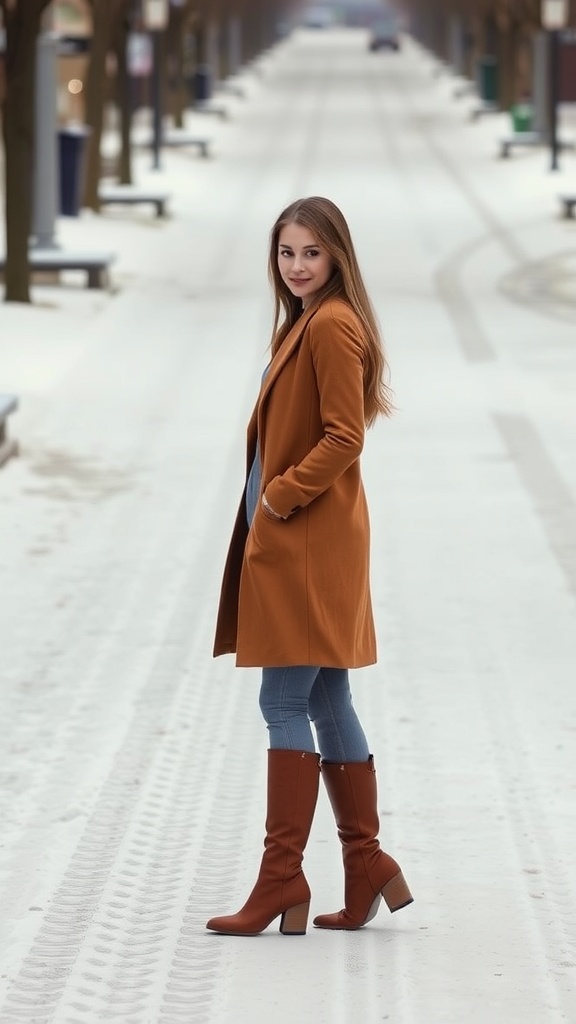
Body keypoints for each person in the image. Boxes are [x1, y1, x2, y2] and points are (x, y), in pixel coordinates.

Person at [206, 196, 413, 936]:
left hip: (306, 540)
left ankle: (281, 878)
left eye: (311, 254)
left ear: (337, 259)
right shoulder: (312, 322)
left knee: (283, 703)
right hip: (309, 539)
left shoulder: (330, 326)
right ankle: (367, 864)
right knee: (327, 701)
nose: (297, 266)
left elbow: (343, 436)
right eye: (287, 253)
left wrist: (282, 498)